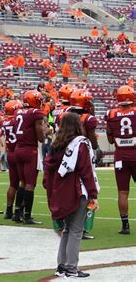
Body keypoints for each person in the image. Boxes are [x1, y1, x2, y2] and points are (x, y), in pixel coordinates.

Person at [43, 112, 99, 279]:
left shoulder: (55, 145)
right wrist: (93, 193)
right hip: (76, 190)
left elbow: (48, 173)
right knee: (76, 230)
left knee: (67, 229)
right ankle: (71, 268)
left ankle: (62, 266)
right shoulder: (80, 144)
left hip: (59, 190)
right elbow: (86, 171)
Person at [14, 90, 50, 224]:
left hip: (18, 149)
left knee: (22, 182)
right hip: (29, 150)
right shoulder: (35, 113)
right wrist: (47, 131)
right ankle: (27, 216)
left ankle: (17, 212)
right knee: (30, 184)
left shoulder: (17, 112)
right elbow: (40, 137)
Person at [105, 85, 135, 235]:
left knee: (123, 192)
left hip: (120, 156)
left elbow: (110, 139)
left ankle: (125, 226)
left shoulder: (111, 114)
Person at [0, 100, 23, 219]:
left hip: (10, 153)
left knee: (13, 184)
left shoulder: (4, 122)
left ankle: (8, 210)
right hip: (18, 152)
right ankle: (19, 211)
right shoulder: (16, 121)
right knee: (23, 183)